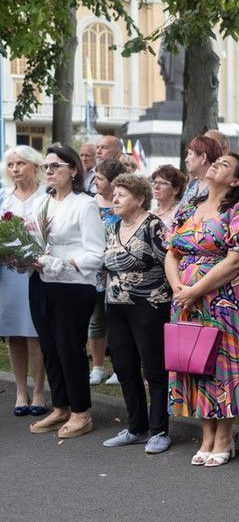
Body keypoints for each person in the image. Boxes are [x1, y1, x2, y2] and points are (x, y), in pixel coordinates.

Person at [165, 152, 239, 466]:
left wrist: (195, 290)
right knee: (194, 361)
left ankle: (224, 437)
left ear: (235, 180)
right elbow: (172, 252)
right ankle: (206, 434)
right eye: (216, 161)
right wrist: (178, 288)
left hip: (224, 299)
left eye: (225, 165)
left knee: (224, 365)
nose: (216, 165)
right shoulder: (189, 208)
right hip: (185, 299)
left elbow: (236, 260)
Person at [27, 145, 105, 439]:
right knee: (49, 347)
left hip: (72, 286)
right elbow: (32, 241)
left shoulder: (84, 205)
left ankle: (81, 411)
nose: (48, 171)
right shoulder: (41, 203)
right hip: (41, 282)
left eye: (55, 166)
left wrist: (65, 263)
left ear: (73, 170)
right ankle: (60, 406)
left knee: (69, 348)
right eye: (45, 166)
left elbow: (96, 254)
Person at [100, 174, 173, 454]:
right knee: (124, 367)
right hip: (116, 305)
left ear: (140, 199)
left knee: (153, 368)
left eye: (122, 194)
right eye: (114, 193)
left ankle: (159, 430)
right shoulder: (113, 227)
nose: (115, 198)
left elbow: (170, 260)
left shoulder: (153, 225)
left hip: (150, 306)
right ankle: (136, 427)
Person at [1, 145, 47, 416]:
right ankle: (21, 391)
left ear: (34, 165)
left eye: (20, 163)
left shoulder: (47, 194)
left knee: (35, 333)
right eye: (11, 164)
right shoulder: (3, 196)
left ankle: (39, 390)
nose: (15, 169)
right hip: (8, 272)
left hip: (38, 269)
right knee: (14, 332)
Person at [87, 158, 126, 387]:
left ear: (113, 181)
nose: (95, 182)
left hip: (117, 269)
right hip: (96, 270)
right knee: (96, 320)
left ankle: (119, 368)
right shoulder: (91, 202)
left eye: (100, 178)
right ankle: (97, 367)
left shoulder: (124, 203)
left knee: (116, 321)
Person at [180, 135, 224, 208]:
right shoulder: (192, 184)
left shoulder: (218, 189)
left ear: (203, 157)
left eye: (190, 154)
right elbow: (179, 211)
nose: (186, 160)